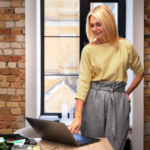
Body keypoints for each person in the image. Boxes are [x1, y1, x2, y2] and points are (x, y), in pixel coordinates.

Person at [68, 5, 144, 150]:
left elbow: (140, 72)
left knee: (116, 146)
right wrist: (77, 117)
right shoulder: (88, 50)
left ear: (108, 22)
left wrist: (127, 92)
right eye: (91, 25)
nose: (95, 29)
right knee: (92, 146)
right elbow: (83, 84)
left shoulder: (126, 47)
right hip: (93, 100)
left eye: (99, 24)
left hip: (118, 99)